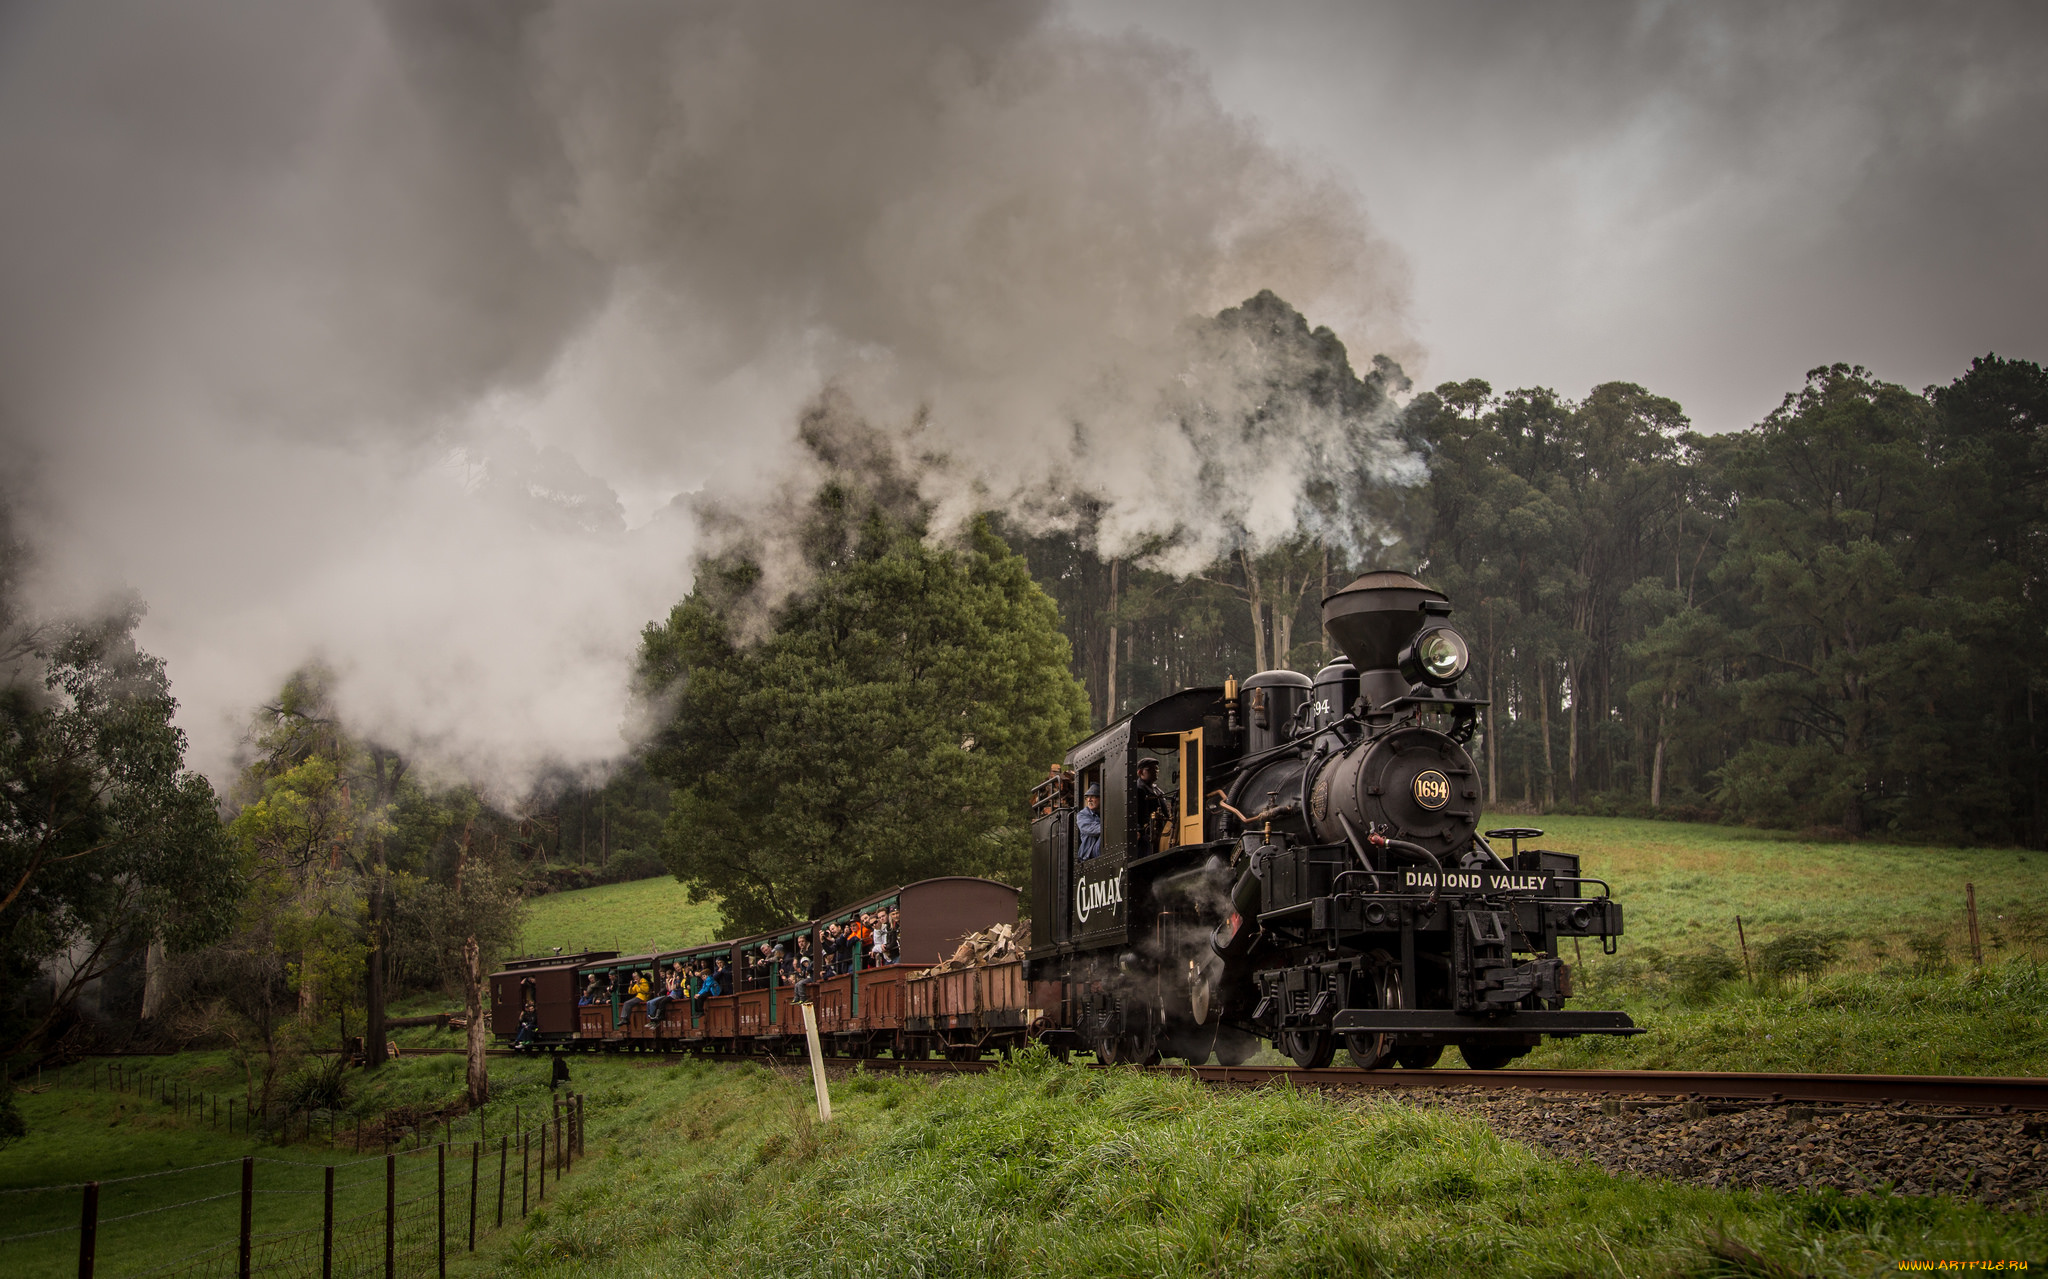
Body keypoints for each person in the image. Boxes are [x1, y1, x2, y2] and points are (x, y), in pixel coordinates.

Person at [1134, 756, 1174, 850]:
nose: (1155, 771)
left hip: (1161, 830)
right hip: (1146, 834)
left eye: (1156, 768)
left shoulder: (1157, 790)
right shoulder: (1138, 789)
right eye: (1150, 769)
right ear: (1140, 772)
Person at [1076, 783, 1103, 861]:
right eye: (1087, 797)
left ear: (1101, 798)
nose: (1089, 800)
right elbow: (1091, 829)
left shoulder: (1105, 812)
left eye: (1093, 796)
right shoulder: (1082, 815)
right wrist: (1110, 827)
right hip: (1090, 853)